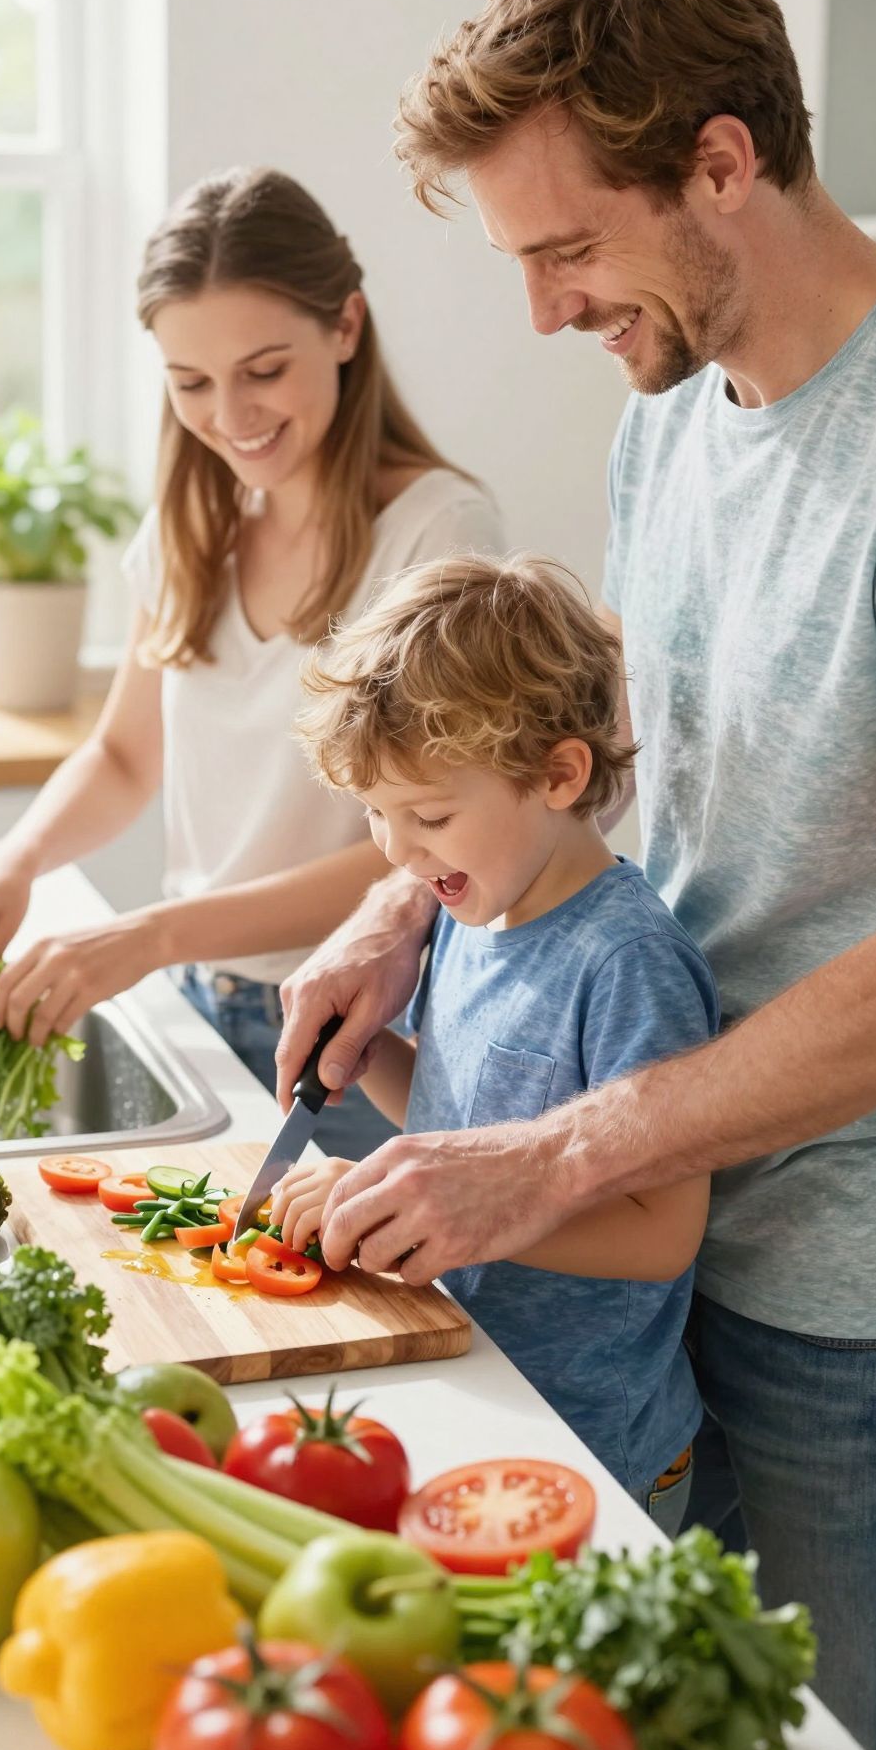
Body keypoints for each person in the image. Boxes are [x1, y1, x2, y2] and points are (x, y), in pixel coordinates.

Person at [275, 0, 876, 1750]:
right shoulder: (672, 413)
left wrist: (558, 1155)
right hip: (679, 1248)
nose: (551, 309)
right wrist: (403, 900)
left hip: (859, 1301)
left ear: (723, 161)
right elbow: (619, 769)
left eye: (565, 252)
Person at [0, 166, 502, 1160]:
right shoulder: (194, 524)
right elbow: (124, 758)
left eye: (263, 369)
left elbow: (425, 841)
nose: (231, 414)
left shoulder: (437, 530)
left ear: (346, 327)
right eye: (190, 382)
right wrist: (12, 857)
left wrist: (152, 932)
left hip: (359, 1029)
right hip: (201, 1008)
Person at [269, 553, 718, 1526]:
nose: (398, 849)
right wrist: (360, 1052)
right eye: (376, 815)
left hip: (601, 1438)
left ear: (561, 774)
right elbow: (461, 1113)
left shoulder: (628, 960)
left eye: (428, 814)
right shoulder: (474, 913)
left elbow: (662, 1230)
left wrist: (429, 1200)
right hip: (489, 1383)